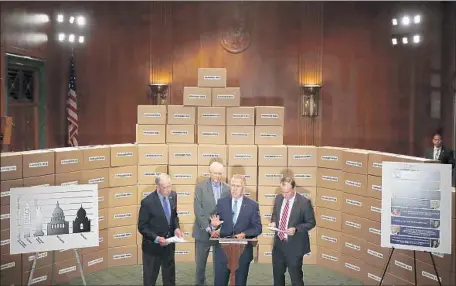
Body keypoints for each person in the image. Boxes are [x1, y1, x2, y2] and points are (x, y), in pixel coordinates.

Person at [209, 174, 262, 286]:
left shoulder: (252, 205)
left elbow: (258, 228)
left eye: (237, 186)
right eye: (232, 185)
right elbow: (215, 223)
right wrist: (214, 226)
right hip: (223, 252)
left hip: (242, 253)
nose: (234, 189)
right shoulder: (221, 202)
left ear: (244, 188)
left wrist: (244, 234)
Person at [269, 177, 316, 286]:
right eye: (282, 192)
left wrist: (296, 229)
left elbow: (311, 223)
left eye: (287, 192)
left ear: (294, 188)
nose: (285, 195)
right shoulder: (278, 198)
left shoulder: (304, 202)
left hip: (295, 246)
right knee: (277, 276)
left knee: (296, 278)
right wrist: (273, 222)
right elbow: (275, 215)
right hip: (279, 245)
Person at [138, 174, 183, 286]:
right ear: (157, 187)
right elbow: (142, 227)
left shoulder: (173, 195)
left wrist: (176, 228)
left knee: (169, 278)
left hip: (169, 245)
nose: (168, 190)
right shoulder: (147, 202)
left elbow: (174, 216)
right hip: (152, 248)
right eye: (165, 187)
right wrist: (157, 238)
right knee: (150, 279)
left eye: (170, 186)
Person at [193, 161, 231, 286]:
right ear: (210, 173)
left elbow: (228, 211)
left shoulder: (227, 189)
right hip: (203, 231)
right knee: (200, 265)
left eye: (220, 173)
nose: (217, 176)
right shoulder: (200, 187)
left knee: (219, 265)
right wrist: (210, 228)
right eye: (215, 173)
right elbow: (198, 210)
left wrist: (219, 228)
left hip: (220, 233)